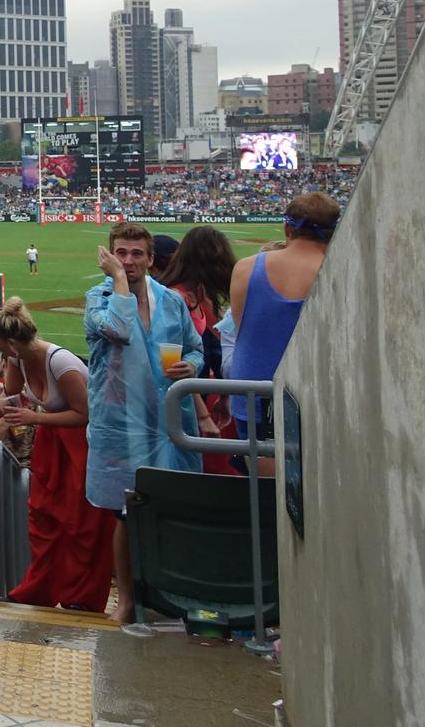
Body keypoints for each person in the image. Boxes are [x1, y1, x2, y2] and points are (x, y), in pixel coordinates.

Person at [86, 222, 203, 624]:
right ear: (109, 256)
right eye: (121, 253)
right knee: (126, 510)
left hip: (168, 421)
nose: (129, 261)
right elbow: (117, 330)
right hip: (123, 425)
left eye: (137, 254)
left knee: (171, 508)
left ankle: (172, 592)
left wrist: (194, 365)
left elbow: (195, 348)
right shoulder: (99, 299)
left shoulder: (171, 302)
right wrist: (118, 281)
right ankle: (128, 599)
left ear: (152, 259)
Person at [0, 299, 108, 611]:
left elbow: (85, 415)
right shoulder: (19, 358)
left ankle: (81, 597)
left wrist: (34, 418)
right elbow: (9, 394)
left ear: (11, 342)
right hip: (54, 443)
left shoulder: (60, 364)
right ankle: (39, 588)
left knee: (82, 522)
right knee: (43, 515)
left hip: (82, 443)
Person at [228, 193, 340, 472]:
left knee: (268, 497)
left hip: (254, 395)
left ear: (287, 229)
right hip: (319, 399)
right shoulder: (341, 270)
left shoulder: (246, 268)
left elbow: (244, 328)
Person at [160, 226, 239, 475]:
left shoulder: (198, 294)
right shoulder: (174, 297)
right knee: (180, 467)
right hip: (175, 401)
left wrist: (223, 395)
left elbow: (210, 346)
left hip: (191, 395)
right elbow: (173, 363)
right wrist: (202, 415)